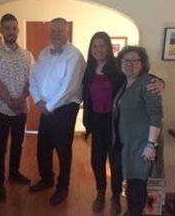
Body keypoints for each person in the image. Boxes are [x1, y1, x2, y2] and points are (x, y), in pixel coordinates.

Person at [82, 32, 165, 215]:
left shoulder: (117, 69)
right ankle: (101, 193)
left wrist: (161, 82)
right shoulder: (88, 70)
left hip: (116, 124)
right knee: (97, 161)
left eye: (102, 45)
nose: (98, 49)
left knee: (118, 164)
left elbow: (144, 81)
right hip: (97, 123)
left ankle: (116, 197)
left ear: (109, 48)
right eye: (94, 46)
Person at [29, 17, 86, 206]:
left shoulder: (75, 55)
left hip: (65, 109)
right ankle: (46, 180)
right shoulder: (44, 53)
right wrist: (38, 101)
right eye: (52, 31)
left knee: (63, 149)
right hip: (45, 107)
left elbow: (70, 86)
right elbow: (34, 78)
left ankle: (63, 187)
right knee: (43, 146)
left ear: (67, 31)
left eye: (59, 31)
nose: (55, 34)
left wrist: (50, 106)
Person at [0, 13, 33, 201]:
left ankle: (14, 173)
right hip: (2, 110)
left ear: (18, 30)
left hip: (21, 109)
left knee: (18, 144)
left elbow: (32, 80)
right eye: (7, 28)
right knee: (0, 146)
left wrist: (20, 100)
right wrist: (11, 102)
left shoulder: (27, 55)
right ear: (1, 31)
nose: (11, 31)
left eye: (14, 28)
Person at [113, 46, 163, 216]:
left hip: (142, 144)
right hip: (129, 143)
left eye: (135, 60)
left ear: (143, 64)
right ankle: (133, 211)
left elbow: (156, 115)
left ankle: (135, 212)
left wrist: (151, 145)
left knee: (138, 182)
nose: (130, 64)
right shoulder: (126, 84)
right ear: (120, 63)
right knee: (132, 181)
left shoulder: (147, 83)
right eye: (126, 60)